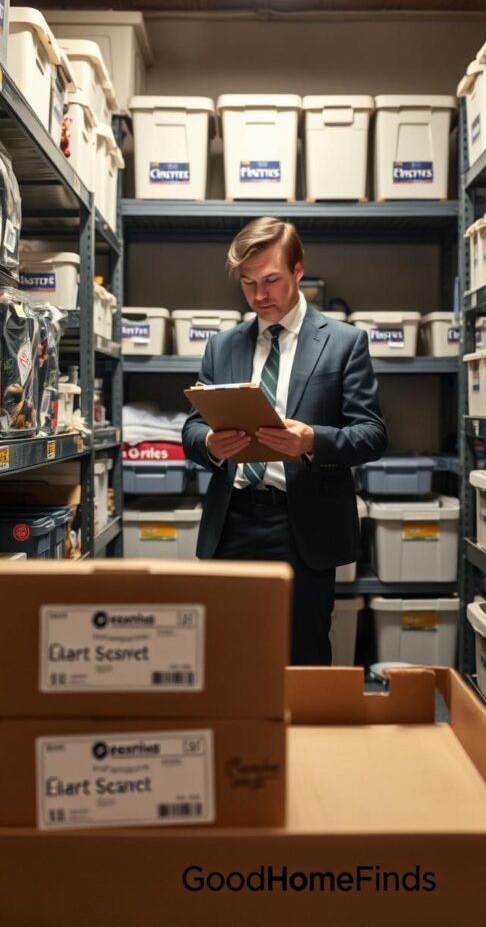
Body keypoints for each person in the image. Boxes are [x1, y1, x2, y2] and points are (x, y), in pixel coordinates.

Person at [182, 217, 387, 665]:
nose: (260, 295)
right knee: (227, 656)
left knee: (304, 656)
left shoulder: (344, 343)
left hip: (303, 528)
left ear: (297, 271)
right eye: (249, 283)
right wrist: (211, 447)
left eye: (271, 280)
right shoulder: (222, 347)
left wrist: (312, 441)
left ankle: (302, 738)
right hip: (231, 521)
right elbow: (192, 429)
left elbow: (371, 435)